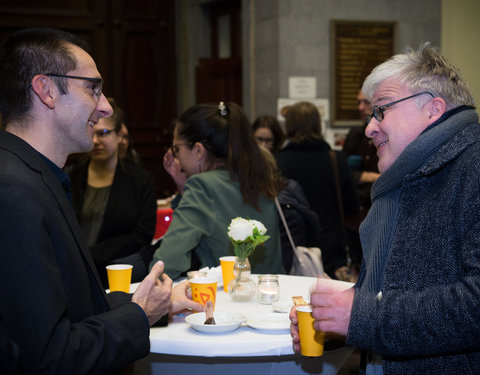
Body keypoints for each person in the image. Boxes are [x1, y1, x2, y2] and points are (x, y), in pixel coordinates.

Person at [0, 27, 202, 374]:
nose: (105, 106)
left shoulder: (33, 176)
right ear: (46, 90)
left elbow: (74, 309)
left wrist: (153, 304)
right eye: (93, 88)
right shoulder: (14, 192)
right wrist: (139, 315)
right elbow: (51, 357)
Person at [290, 43, 480, 374]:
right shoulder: (413, 175)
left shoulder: (473, 167)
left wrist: (361, 317)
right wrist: (340, 321)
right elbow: (393, 289)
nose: (369, 128)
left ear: (433, 109)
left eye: (381, 110)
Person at [151, 101, 285, 279]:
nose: (177, 158)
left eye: (176, 149)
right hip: (271, 292)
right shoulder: (257, 177)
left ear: (198, 151)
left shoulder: (202, 186)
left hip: (225, 298)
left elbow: (166, 265)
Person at [68, 98, 157, 288]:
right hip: (73, 273)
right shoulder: (71, 176)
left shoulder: (140, 181)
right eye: (92, 132)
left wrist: (92, 255)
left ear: (120, 135)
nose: (95, 141)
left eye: (104, 133)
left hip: (118, 276)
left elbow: (142, 236)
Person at [276, 101, 359, 278]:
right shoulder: (336, 159)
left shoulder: (279, 160)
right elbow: (351, 206)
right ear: (318, 125)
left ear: (289, 125)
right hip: (331, 246)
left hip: (293, 246)